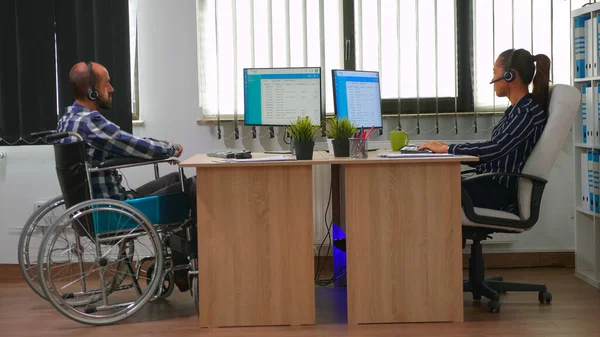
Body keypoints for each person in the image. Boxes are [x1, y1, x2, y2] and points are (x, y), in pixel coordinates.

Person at [56, 61, 196, 290]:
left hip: (93, 208)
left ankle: (177, 266)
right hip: (114, 213)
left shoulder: (68, 118)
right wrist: (171, 148)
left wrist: (161, 148)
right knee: (193, 186)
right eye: (106, 83)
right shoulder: (90, 122)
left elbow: (124, 146)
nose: (111, 89)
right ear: (92, 91)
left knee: (174, 179)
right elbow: (134, 145)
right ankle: (184, 268)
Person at [419, 48, 551, 214]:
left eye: (495, 72)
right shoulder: (518, 110)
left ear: (510, 75)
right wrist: (448, 150)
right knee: (432, 185)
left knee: (431, 191)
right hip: (491, 184)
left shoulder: (527, 112)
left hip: (499, 192)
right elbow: (492, 149)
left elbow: (496, 148)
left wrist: (448, 149)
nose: (493, 79)